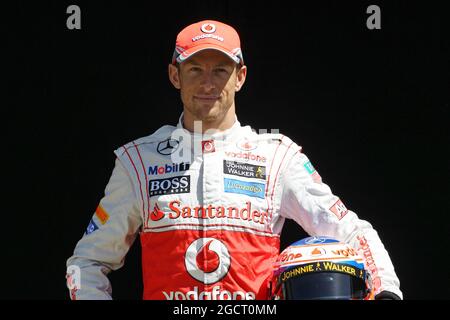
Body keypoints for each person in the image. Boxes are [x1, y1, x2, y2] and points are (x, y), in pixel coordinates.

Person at [66, 19, 402, 300]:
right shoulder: (138, 161)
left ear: (240, 77)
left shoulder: (277, 157)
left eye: (221, 70)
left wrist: (385, 290)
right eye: (195, 69)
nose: (208, 83)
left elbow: (352, 231)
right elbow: (87, 262)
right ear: (174, 76)